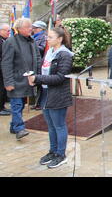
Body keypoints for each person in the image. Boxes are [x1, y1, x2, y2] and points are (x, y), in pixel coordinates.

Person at [27, 27, 74, 168]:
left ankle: (61, 154)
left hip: (58, 95)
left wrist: (38, 78)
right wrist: (34, 77)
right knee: (51, 126)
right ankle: (52, 151)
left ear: (59, 39)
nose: (47, 39)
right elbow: (44, 70)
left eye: (50, 37)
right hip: (46, 93)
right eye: (47, 37)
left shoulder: (65, 55)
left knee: (59, 125)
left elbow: (60, 77)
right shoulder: (49, 52)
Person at [1, 18, 42, 140]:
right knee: (17, 104)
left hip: (29, 79)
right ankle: (19, 128)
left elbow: (37, 58)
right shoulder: (10, 42)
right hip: (16, 80)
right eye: (27, 27)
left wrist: (38, 76)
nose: (31, 29)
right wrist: (8, 82)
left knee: (21, 105)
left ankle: (13, 126)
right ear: (18, 29)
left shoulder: (32, 41)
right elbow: (6, 63)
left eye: (31, 26)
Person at [0, 24, 11, 116]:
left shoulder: (5, 40)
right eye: (7, 31)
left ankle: (2, 106)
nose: (9, 33)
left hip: (4, 69)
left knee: (3, 89)